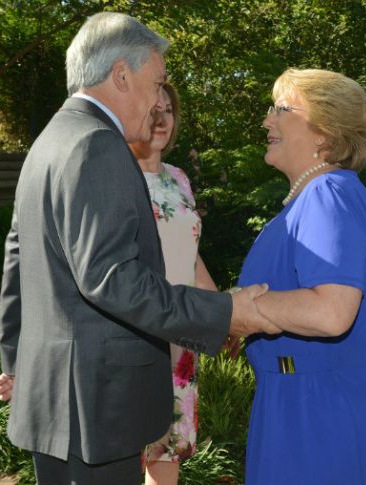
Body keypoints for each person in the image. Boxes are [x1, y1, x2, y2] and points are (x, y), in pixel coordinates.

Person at [0, 13, 278, 485]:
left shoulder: (49, 141)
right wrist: (224, 312)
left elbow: (17, 259)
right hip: (98, 406)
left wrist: (18, 363)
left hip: (58, 403)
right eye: (156, 81)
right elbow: (113, 279)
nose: (158, 100)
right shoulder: (98, 146)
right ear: (122, 75)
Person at [237, 68, 366, 484]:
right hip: (301, 401)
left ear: (324, 133)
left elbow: (332, 311)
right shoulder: (308, 202)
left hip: (325, 412)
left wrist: (247, 308)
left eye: (280, 109)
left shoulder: (327, 193)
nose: (266, 121)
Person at [128, 82, 215, 485]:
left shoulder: (179, 178)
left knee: (166, 461)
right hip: (132, 332)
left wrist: (220, 311)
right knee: (124, 455)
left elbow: (188, 250)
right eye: (153, 109)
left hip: (180, 338)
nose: (162, 119)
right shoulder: (115, 178)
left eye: (169, 110)